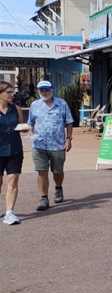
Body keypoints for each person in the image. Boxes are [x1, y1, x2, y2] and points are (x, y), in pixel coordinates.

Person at [28, 80, 73, 211]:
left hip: (57, 145)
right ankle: (43, 198)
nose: (44, 92)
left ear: (52, 90)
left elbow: (69, 122)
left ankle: (58, 187)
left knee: (57, 171)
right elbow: (30, 123)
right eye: (41, 90)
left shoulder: (62, 103)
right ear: (38, 91)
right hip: (39, 144)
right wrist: (29, 132)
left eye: (47, 89)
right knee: (41, 172)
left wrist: (69, 139)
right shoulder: (34, 105)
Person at [0, 80, 24, 224]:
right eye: (9, 92)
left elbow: (21, 125)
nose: (12, 94)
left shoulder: (16, 109)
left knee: (13, 180)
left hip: (15, 150)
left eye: (12, 92)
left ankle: (9, 213)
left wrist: (25, 128)